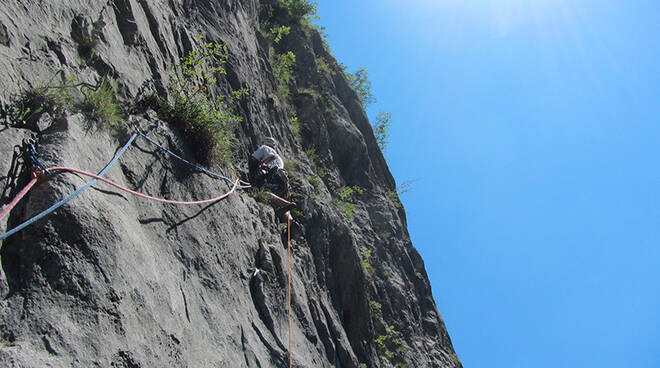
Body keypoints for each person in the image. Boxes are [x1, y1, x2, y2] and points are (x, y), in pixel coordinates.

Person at [248, 137, 296, 223]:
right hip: (282, 184)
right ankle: (291, 222)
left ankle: (286, 204)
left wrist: (252, 178)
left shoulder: (264, 148)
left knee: (264, 193)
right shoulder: (279, 159)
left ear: (265, 143)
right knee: (276, 201)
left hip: (271, 178)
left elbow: (253, 159)